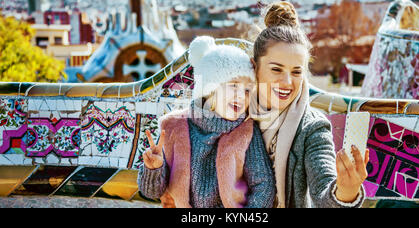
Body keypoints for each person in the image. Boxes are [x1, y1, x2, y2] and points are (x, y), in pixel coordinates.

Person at [249, 1, 369, 208]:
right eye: (276, 69)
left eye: (296, 72)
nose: (287, 82)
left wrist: (345, 192)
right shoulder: (232, 115)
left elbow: (323, 190)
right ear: (255, 67)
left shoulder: (312, 128)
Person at [137, 36, 276, 208]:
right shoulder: (173, 127)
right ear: (209, 89)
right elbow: (151, 192)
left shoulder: (246, 131)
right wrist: (153, 169)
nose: (241, 96)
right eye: (233, 86)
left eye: (247, 91)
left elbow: (264, 185)